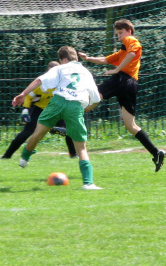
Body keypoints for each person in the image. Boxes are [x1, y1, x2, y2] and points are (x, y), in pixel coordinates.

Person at [78, 19, 166, 172]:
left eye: (120, 33)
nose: (119, 37)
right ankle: (156, 152)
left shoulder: (130, 40)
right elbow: (105, 60)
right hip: (131, 85)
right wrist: (88, 58)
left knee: (92, 99)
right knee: (130, 125)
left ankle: (65, 123)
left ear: (129, 31)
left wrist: (117, 70)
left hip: (122, 79)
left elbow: (132, 53)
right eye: (117, 34)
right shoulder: (122, 52)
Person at [12, 46, 103, 190]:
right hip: (75, 107)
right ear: (76, 58)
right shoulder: (86, 72)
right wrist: (85, 109)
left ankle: (24, 157)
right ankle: (88, 183)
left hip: (57, 102)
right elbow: (97, 98)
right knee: (81, 149)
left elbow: (38, 81)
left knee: (37, 134)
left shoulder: (59, 69)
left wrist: (23, 94)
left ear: (64, 59)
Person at [1, 61, 76, 159]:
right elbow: (28, 97)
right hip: (39, 110)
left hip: (57, 110)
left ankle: (73, 154)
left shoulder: (64, 83)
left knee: (69, 130)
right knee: (27, 133)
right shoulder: (42, 83)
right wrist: (25, 111)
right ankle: (6, 156)